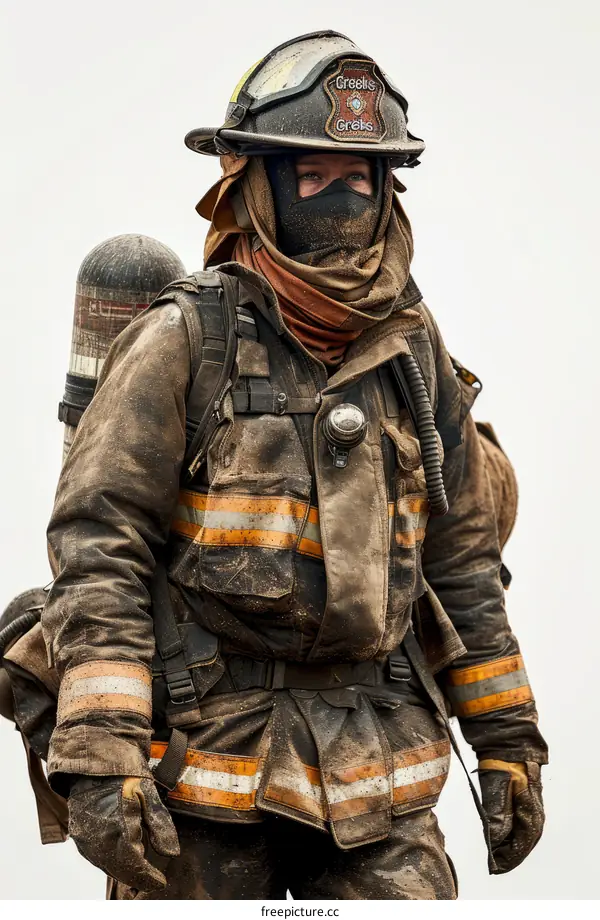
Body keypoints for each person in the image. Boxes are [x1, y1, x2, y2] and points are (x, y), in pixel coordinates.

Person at [41, 31, 548, 900]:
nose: (341, 194)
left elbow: (461, 560)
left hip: (381, 774)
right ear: (259, 187)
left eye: (360, 175)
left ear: (389, 186)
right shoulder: (182, 340)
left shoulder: (414, 355)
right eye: (312, 176)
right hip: (199, 769)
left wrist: (508, 738)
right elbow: (100, 549)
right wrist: (102, 754)